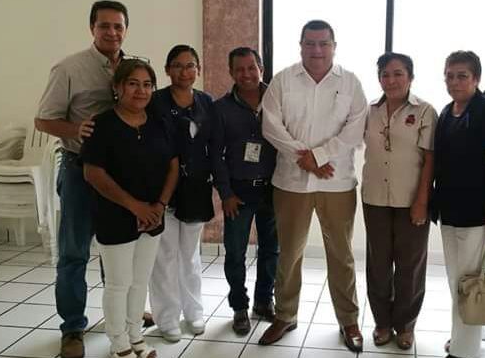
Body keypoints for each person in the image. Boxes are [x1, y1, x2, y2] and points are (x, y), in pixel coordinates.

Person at [258, 20, 368, 352]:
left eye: (323, 43)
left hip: (337, 183)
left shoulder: (350, 82)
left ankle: (348, 320)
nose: (316, 50)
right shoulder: (283, 80)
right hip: (291, 183)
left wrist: (318, 157)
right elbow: (270, 126)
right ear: (301, 45)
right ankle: (285, 315)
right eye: (309, 43)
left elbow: (355, 128)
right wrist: (303, 158)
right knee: (289, 254)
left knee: (341, 255)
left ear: (334, 46)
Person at [35, 0, 129, 358]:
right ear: (92, 28)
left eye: (118, 26)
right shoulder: (69, 68)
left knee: (118, 250)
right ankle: (73, 327)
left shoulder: (133, 66)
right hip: (80, 172)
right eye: (104, 25)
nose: (112, 32)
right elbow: (43, 120)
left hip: (122, 175)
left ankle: (121, 316)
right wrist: (76, 129)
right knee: (74, 253)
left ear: (125, 30)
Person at [81, 59, 179, 358]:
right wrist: (136, 207)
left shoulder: (159, 122)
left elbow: (173, 165)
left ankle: (136, 337)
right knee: (118, 283)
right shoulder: (101, 124)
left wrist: (159, 206)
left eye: (147, 84)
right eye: (133, 84)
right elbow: (93, 173)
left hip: (153, 216)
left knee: (139, 282)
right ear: (117, 87)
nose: (141, 91)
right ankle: (118, 343)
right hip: (116, 217)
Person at [431, 50, 485, 358]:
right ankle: (461, 339)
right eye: (449, 76)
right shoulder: (448, 111)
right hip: (449, 211)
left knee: (469, 283)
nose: (454, 82)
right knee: (457, 280)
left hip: (476, 214)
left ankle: (464, 350)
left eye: (462, 76)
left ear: (476, 79)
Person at [361, 52, 436, 349]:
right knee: (378, 265)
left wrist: (422, 201)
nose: (390, 80)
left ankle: (405, 325)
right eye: (385, 74)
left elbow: (430, 160)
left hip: (411, 200)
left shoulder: (425, 111)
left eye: (398, 74)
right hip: (375, 198)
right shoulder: (369, 110)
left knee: (410, 266)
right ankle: (382, 322)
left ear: (411, 77)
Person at [148, 45, 214, 342]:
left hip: (196, 188)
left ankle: (194, 312)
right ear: (167, 70)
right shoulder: (155, 102)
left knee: (189, 255)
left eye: (190, 65)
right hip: (163, 188)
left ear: (198, 69)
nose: (184, 71)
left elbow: (212, 144)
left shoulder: (206, 102)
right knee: (165, 256)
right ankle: (166, 318)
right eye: (177, 65)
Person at [211, 47, 279, 336]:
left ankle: (264, 301)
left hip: (273, 190)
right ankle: (239, 306)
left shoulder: (278, 100)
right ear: (231, 73)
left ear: (261, 68)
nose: (246, 74)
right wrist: (225, 194)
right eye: (239, 69)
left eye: (251, 68)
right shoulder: (220, 108)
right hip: (238, 193)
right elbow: (215, 155)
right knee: (235, 252)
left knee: (271, 250)